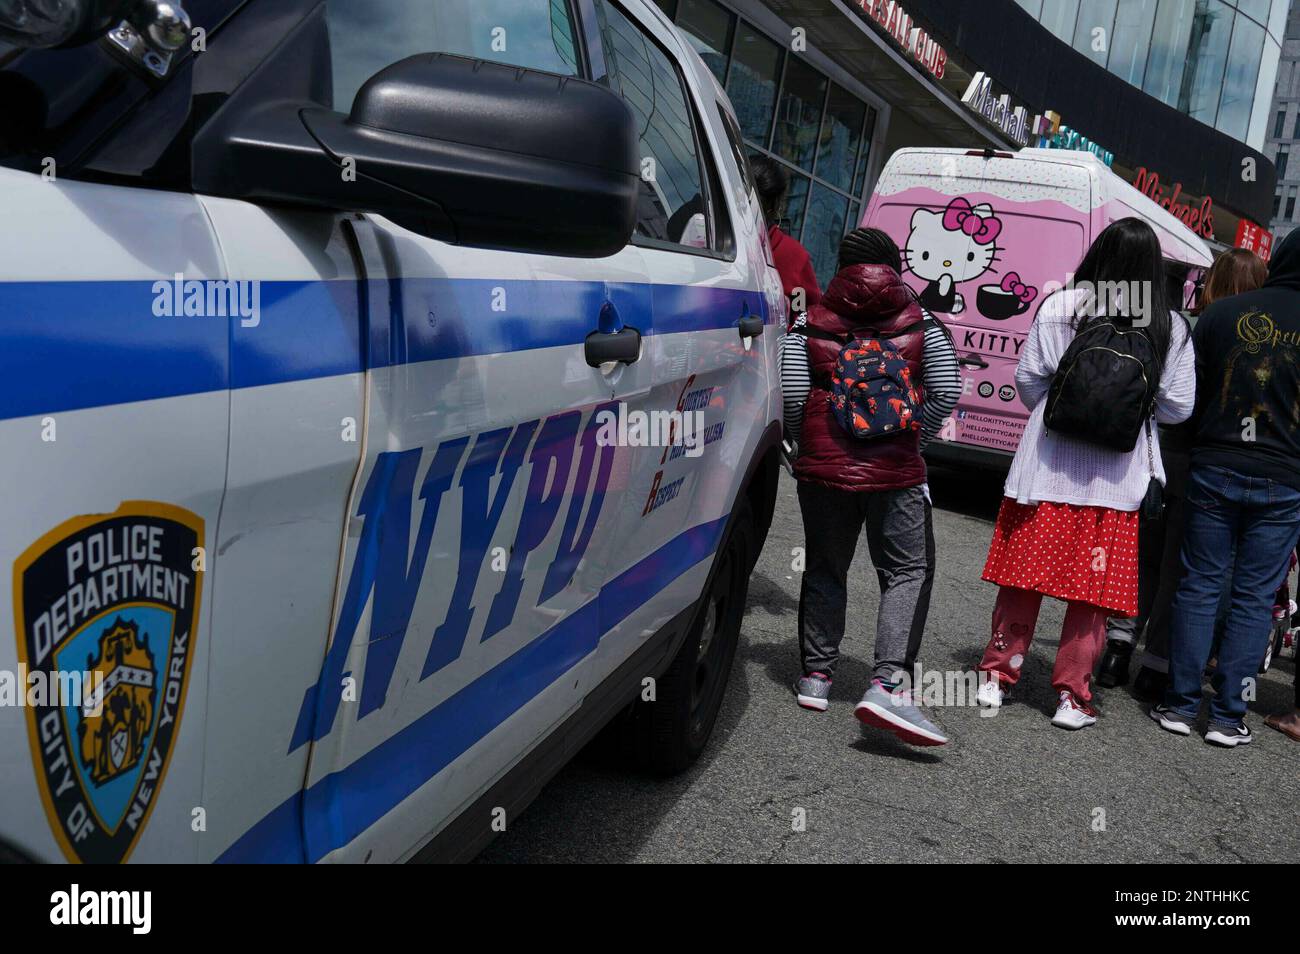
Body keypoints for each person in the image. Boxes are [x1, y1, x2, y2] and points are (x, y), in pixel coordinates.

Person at [975, 218, 1195, 729]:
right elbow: (1180, 407)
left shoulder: (1063, 305)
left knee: (1022, 583)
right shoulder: (1170, 326)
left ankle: (995, 677)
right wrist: (1130, 408)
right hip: (1116, 486)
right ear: (1153, 269)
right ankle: (1071, 698)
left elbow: (1029, 379)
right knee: (1090, 599)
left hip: (1046, 469)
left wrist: (1064, 405)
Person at [780, 227, 960, 746]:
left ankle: (816, 677)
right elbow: (946, 389)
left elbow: (793, 390)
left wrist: (801, 443)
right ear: (895, 266)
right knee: (905, 570)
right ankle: (886, 684)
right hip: (896, 470)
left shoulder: (809, 318)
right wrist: (914, 439)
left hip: (824, 468)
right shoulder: (921, 320)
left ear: (842, 265)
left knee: (825, 565)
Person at [1153, 230, 1300, 747]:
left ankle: (1179, 703)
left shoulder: (1220, 315)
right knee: (1254, 598)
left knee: (1199, 584)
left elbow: (1186, 400)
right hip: (1286, 478)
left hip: (1214, 464)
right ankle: (1227, 714)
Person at [1098, 249, 1267, 698]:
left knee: (1138, 557)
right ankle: (1156, 666)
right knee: (1182, 567)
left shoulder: (1183, 325)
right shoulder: (1254, 339)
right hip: (1209, 464)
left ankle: (1116, 649)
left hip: (1157, 454)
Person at [750, 154, 821, 315]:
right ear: (777, 206)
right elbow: (800, 319)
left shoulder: (709, 234)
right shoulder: (794, 256)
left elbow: (800, 315)